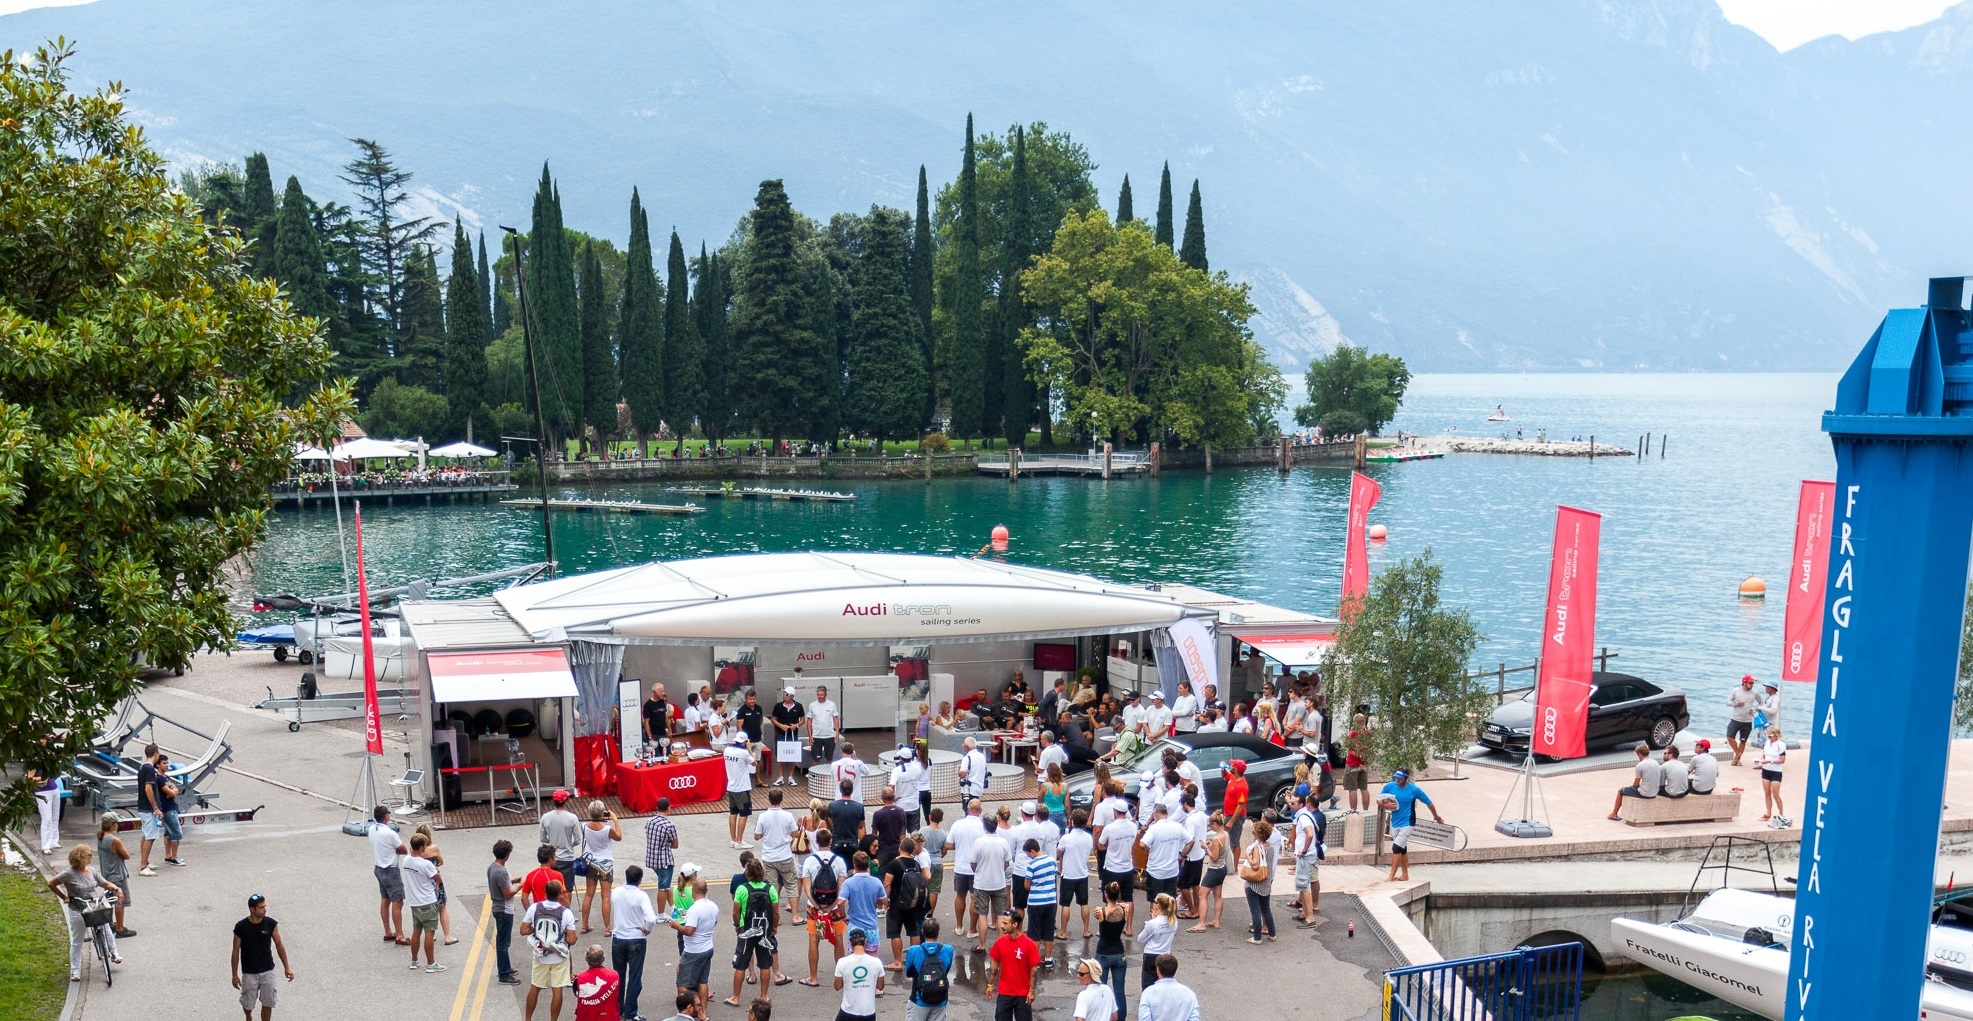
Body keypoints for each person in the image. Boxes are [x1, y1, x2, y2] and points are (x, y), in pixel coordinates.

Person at [50, 844, 122, 982]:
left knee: (106, 928)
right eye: (89, 854)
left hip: (94, 906)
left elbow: (104, 883)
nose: (91, 856)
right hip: (78, 908)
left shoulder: (92, 871)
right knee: (77, 941)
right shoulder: (68, 874)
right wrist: (64, 896)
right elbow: (51, 883)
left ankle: (114, 953)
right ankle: (75, 971)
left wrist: (117, 888)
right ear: (81, 856)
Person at [728, 858, 786, 1006]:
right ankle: (763, 996)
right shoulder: (770, 888)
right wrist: (773, 927)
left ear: (747, 873)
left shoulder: (742, 889)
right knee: (765, 964)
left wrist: (737, 924)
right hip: (765, 931)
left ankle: (735, 997)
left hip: (746, 930)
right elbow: (775, 912)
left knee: (741, 964)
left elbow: (735, 911)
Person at [799, 828, 850, 987]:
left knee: (813, 941)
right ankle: (840, 977)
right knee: (838, 940)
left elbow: (807, 888)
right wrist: (832, 906)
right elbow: (841, 887)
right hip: (834, 908)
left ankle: (813, 977)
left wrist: (817, 907)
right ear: (830, 841)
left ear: (816, 842)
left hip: (814, 909)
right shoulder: (839, 861)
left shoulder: (809, 861)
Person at [231, 893, 292, 1021]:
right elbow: (235, 951)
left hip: (267, 970)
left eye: (265, 906)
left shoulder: (270, 924)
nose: (265, 909)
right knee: (248, 1004)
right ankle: (248, 1016)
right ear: (252, 909)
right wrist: (235, 975)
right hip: (249, 972)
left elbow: (279, 945)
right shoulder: (241, 927)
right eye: (261, 907)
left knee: (268, 1002)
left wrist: (287, 967)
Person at [524, 879, 578, 1021]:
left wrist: (535, 929)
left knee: (535, 987)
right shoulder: (566, 913)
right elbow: (572, 939)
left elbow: (523, 930)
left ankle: (527, 1019)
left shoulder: (534, 908)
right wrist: (564, 934)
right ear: (560, 894)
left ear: (545, 893)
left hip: (540, 955)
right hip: (559, 957)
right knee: (557, 990)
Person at [1380, 769, 1442, 882]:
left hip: (1408, 823)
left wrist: (1436, 816)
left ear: (1406, 778)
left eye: (1400, 778)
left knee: (1396, 847)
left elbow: (1429, 802)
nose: (1397, 780)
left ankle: (1391, 876)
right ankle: (1405, 875)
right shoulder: (1390, 786)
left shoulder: (1413, 790)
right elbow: (1379, 800)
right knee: (1402, 849)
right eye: (1396, 777)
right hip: (1395, 822)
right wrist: (1386, 804)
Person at [612, 864, 657, 1018]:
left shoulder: (616, 892)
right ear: (640, 880)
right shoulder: (641, 895)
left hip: (618, 937)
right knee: (635, 977)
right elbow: (651, 918)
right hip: (636, 938)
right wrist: (647, 928)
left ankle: (617, 1009)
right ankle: (630, 1011)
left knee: (618, 975)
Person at [967, 816, 1014, 952]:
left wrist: (979, 871)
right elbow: (1006, 862)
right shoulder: (1003, 842)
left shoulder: (979, 842)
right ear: (996, 825)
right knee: (1000, 915)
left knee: (982, 914)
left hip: (981, 883)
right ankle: (1002, 945)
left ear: (984, 826)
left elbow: (973, 863)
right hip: (999, 882)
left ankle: (982, 945)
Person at [670, 876, 718, 1005]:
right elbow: (714, 923)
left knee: (682, 983)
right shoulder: (713, 906)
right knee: (702, 981)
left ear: (693, 891)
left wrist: (676, 926)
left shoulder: (694, 909)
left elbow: (689, 931)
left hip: (694, 950)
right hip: (708, 948)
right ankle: (702, 1010)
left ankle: (689, 1012)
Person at [402, 831, 445, 972]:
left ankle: (414, 961)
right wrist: (434, 885)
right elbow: (437, 879)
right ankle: (431, 964)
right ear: (421, 847)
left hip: (414, 903)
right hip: (427, 901)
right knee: (429, 932)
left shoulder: (406, 861)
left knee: (416, 931)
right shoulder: (426, 864)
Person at [986, 912, 1041, 1021]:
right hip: (1004, 993)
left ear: (1015, 925)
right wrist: (990, 984)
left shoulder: (1029, 944)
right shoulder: (999, 943)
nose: (1002, 926)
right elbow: (994, 966)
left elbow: (1034, 969)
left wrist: (1032, 991)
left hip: (1023, 994)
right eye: (1002, 923)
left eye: (1006, 923)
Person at [579, 801, 624, 933]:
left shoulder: (584, 827)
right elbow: (619, 837)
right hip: (606, 865)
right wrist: (615, 820)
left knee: (589, 894)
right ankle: (607, 928)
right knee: (605, 896)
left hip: (591, 862)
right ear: (602, 813)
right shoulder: (607, 829)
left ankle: (584, 925)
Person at [368, 805, 409, 946]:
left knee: (385, 900)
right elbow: (403, 850)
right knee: (398, 901)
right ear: (386, 816)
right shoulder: (390, 833)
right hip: (390, 869)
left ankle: (388, 931)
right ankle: (400, 935)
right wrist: (396, 851)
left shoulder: (372, 829)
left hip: (379, 868)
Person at [753, 788, 800, 908]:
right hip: (785, 855)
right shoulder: (788, 815)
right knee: (791, 885)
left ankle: (776, 917)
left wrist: (765, 833)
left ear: (768, 799)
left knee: (771, 887)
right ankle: (795, 915)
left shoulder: (763, 817)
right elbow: (795, 833)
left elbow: (757, 836)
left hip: (769, 857)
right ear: (782, 799)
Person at [1096, 802, 1139, 930]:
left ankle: (1109, 925)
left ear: (1115, 811)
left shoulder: (1110, 828)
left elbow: (1100, 845)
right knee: (1128, 898)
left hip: (1112, 868)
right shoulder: (1132, 826)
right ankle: (1129, 927)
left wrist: (1110, 847)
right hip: (1127, 867)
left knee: (1109, 897)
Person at [903, 916, 955, 1021]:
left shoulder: (914, 950)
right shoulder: (948, 949)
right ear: (938, 932)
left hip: (918, 999)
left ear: (922, 931)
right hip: (940, 998)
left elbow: (909, 972)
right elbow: (946, 970)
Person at [840, 852, 887, 961]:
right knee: (873, 955)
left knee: (855, 956)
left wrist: (843, 915)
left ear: (855, 865)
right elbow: (884, 900)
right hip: (871, 925)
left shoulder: (848, 883)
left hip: (855, 925)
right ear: (868, 866)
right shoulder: (876, 882)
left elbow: (840, 902)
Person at [1137, 804, 1188, 904]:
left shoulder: (1154, 828)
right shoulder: (1177, 826)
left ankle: (1155, 919)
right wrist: (1182, 855)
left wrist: (1147, 849)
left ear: (1155, 814)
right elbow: (1191, 841)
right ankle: (1170, 919)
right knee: (1170, 901)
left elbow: (1142, 844)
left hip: (1155, 871)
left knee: (1155, 901)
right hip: (1172, 871)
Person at [948, 799, 985, 936]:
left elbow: (948, 844)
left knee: (960, 895)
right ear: (980, 811)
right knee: (974, 897)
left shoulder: (958, 824)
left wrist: (959, 846)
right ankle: (972, 929)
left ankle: (959, 926)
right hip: (977, 868)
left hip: (960, 866)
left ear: (968, 809)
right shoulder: (983, 825)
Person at [1094, 882, 1131, 1018]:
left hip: (1103, 953)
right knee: (1119, 992)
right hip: (1119, 953)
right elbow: (1125, 907)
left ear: (1106, 895)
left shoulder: (1101, 912)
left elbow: (1099, 916)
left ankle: (1102, 1017)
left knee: (1101, 989)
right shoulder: (1124, 910)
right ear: (1119, 895)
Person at [1289, 787, 1325, 924]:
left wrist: (1304, 850)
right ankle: (1304, 912)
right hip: (1309, 854)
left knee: (1304, 886)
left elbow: (1310, 833)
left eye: (1293, 803)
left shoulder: (1303, 818)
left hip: (1305, 855)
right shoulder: (1307, 814)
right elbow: (1316, 831)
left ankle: (1310, 917)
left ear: (1301, 805)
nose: (1290, 805)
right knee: (1303, 884)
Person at [1057, 808, 1095, 939]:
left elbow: (1059, 852)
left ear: (1072, 821)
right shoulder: (1088, 838)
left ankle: (1063, 932)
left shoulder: (1066, 838)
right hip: (1082, 874)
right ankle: (1086, 930)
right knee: (1084, 903)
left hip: (1068, 874)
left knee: (1065, 904)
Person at [95, 815, 135, 938]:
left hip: (106, 874)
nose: (118, 825)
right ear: (112, 824)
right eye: (116, 823)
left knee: (109, 900)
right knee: (119, 901)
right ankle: (120, 928)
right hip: (117, 874)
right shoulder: (114, 840)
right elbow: (126, 855)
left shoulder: (100, 836)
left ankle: (111, 923)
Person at [832, 928, 884, 1021]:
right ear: (865, 941)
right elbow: (880, 986)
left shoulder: (842, 962)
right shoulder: (877, 962)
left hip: (848, 1011)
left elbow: (837, 986)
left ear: (850, 943)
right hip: (868, 1011)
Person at [489, 839, 521, 985]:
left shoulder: (492, 867)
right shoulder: (501, 872)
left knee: (502, 940)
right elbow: (507, 893)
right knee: (503, 942)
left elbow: (501, 884)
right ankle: (504, 973)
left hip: (498, 907)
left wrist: (512, 881)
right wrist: (521, 886)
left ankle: (505, 966)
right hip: (504, 909)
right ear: (506, 855)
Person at [1240, 818, 1277, 944]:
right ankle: (1272, 934)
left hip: (1254, 884)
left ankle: (1256, 937)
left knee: (1255, 911)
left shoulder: (1257, 848)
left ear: (1258, 834)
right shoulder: (1271, 848)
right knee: (1266, 909)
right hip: (1266, 883)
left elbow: (1255, 865)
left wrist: (1247, 856)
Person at [1191, 812, 1230, 933]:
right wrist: (1211, 846)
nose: (1209, 827)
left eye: (1210, 825)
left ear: (1215, 823)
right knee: (1217, 895)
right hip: (1222, 868)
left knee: (1202, 895)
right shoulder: (1226, 834)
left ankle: (1201, 923)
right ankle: (1216, 920)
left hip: (1214, 869)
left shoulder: (1216, 838)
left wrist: (1206, 848)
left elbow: (1213, 856)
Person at [1022, 838, 1059, 963]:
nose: (1028, 856)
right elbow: (1054, 876)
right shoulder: (1052, 860)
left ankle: (1034, 959)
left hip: (1036, 902)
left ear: (1032, 851)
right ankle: (1048, 958)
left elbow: (1027, 885)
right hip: (1050, 901)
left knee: (1034, 932)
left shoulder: (1032, 865)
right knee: (1048, 931)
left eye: (1028, 853)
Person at [542, 789, 585, 893]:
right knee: (568, 888)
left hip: (552, 857)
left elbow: (542, 838)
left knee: (552, 887)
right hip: (567, 858)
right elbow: (578, 840)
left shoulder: (545, 817)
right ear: (565, 801)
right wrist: (570, 845)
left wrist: (551, 842)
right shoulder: (572, 818)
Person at [644, 798, 680, 915]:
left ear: (657, 807)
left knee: (666, 884)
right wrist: (667, 843)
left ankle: (673, 907)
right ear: (669, 808)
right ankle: (660, 914)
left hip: (652, 858)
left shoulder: (650, 821)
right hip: (664, 860)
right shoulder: (669, 825)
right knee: (663, 888)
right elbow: (675, 845)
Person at [1608, 743, 1663, 822]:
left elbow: (1636, 784)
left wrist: (1633, 788)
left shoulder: (1640, 765)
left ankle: (1614, 813)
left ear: (1639, 754)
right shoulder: (1656, 763)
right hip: (1655, 792)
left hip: (1645, 793)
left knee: (1621, 791)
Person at [1138, 954, 1202, 1021]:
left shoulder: (1148, 993)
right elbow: (1194, 1018)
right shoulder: (1189, 994)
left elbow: (1144, 1019)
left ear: (1158, 970)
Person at [1136, 893, 1178, 993]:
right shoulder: (1173, 921)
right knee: (1164, 982)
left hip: (1151, 955)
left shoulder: (1153, 923)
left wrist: (1152, 919)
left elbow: (1140, 939)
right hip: (1166, 954)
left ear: (1158, 905)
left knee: (1148, 984)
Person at [725, 735, 758, 849]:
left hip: (731, 786)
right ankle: (739, 841)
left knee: (733, 813)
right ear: (744, 742)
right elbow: (754, 763)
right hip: (742, 788)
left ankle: (733, 839)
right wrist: (749, 748)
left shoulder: (727, 750)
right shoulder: (743, 753)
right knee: (744, 814)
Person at [575, 943, 623, 1021]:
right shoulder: (614, 975)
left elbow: (577, 994)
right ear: (603, 959)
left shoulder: (579, 978)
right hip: (610, 1017)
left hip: (586, 1017)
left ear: (586, 959)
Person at [771, 688, 806, 786]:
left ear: (792, 696)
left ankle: (791, 777)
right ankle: (781, 777)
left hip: (793, 734)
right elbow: (773, 719)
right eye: (784, 694)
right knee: (780, 756)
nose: (785, 696)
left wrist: (796, 725)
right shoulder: (778, 706)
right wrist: (781, 726)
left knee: (793, 755)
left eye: (787, 694)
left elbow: (803, 720)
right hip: (780, 734)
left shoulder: (798, 706)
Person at [827, 778, 867, 861]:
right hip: (852, 843)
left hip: (837, 843)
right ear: (852, 790)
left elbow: (831, 823)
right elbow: (860, 825)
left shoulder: (832, 805)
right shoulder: (859, 807)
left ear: (841, 790)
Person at [1725, 674, 1758, 766]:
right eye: (1750, 683)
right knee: (1730, 737)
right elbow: (1727, 702)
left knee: (1743, 741)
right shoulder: (1736, 691)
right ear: (1744, 683)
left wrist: (1754, 710)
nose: (1752, 685)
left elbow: (1761, 702)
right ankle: (1737, 753)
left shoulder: (1754, 693)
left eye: (1752, 683)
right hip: (1735, 719)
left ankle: (1737, 759)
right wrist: (1736, 703)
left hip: (1747, 721)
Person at [872, 787, 909, 867]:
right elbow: (903, 833)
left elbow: (874, 834)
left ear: (882, 797)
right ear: (894, 797)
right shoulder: (901, 812)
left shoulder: (878, 814)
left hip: (883, 849)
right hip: (897, 848)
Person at [1762, 726, 1792, 827]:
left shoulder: (1781, 745)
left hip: (1776, 771)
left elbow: (1782, 759)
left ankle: (1781, 813)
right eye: (1768, 736)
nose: (1769, 738)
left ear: (1775, 735)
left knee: (1775, 794)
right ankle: (1768, 813)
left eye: (1770, 736)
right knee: (1767, 793)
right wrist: (1760, 761)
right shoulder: (1766, 743)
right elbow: (1764, 754)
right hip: (1766, 770)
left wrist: (1770, 761)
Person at [1072, 956, 1118, 1021]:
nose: (1078, 976)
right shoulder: (1107, 990)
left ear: (1091, 975)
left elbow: (1079, 1019)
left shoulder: (1084, 996)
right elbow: (1114, 1017)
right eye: (1078, 972)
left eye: (1081, 974)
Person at [922, 807, 949, 913]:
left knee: (922, 888)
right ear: (941, 819)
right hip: (937, 862)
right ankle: (929, 914)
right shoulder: (943, 834)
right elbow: (945, 850)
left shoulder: (923, 830)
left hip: (924, 864)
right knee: (934, 890)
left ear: (929, 817)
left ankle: (921, 911)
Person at [893, 747, 927, 830]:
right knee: (915, 833)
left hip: (900, 805)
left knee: (900, 833)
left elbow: (891, 786)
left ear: (901, 758)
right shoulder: (917, 768)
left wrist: (893, 798)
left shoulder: (897, 770)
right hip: (914, 805)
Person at [1342, 714, 1371, 813]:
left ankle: (1353, 810)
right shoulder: (1367, 732)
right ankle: (1366, 810)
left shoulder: (1353, 733)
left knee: (1352, 789)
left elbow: (1347, 744)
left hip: (1352, 763)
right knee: (1364, 788)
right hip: (1363, 763)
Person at [807, 684, 841, 766]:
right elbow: (809, 720)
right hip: (816, 736)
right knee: (816, 758)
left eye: (822, 694)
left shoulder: (832, 704)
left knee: (829, 758)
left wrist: (837, 733)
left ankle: (829, 775)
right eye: (818, 695)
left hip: (829, 736)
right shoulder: (812, 705)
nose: (820, 696)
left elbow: (835, 719)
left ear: (826, 695)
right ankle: (815, 776)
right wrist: (810, 735)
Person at [31, 769, 61, 856]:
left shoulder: (49, 762)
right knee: (47, 818)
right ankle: (46, 845)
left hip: (54, 789)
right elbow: (29, 778)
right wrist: (42, 778)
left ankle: (54, 841)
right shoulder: (34, 763)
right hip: (42, 791)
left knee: (55, 817)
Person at [959, 737, 989, 803]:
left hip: (969, 790)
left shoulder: (967, 758)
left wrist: (960, 766)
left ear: (966, 747)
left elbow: (962, 774)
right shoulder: (982, 756)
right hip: (979, 788)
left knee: (968, 809)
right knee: (975, 807)